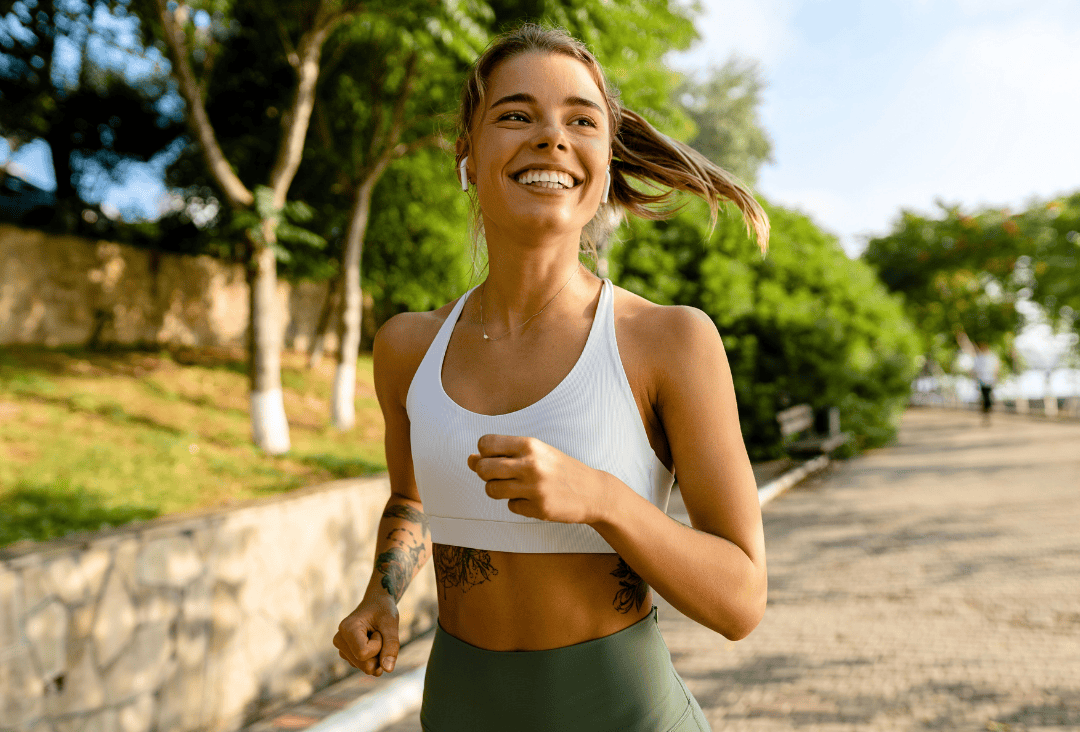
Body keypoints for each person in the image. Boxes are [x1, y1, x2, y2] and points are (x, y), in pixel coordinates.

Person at [333, 22, 769, 731]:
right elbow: (411, 500)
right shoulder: (407, 347)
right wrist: (381, 594)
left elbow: (741, 601)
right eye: (516, 115)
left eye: (581, 120)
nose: (551, 138)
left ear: (605, 161)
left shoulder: (669, 342)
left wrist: (602, 499)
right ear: (468, 152)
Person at [956, 330, 999, 425]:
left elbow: (995, 368)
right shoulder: (978, 358)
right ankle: (986, 415)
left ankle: (987, 413)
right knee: (984, 398)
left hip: (989, 381)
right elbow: (974, 370)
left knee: (988, 398)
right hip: (982, 381)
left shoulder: (990, 357)